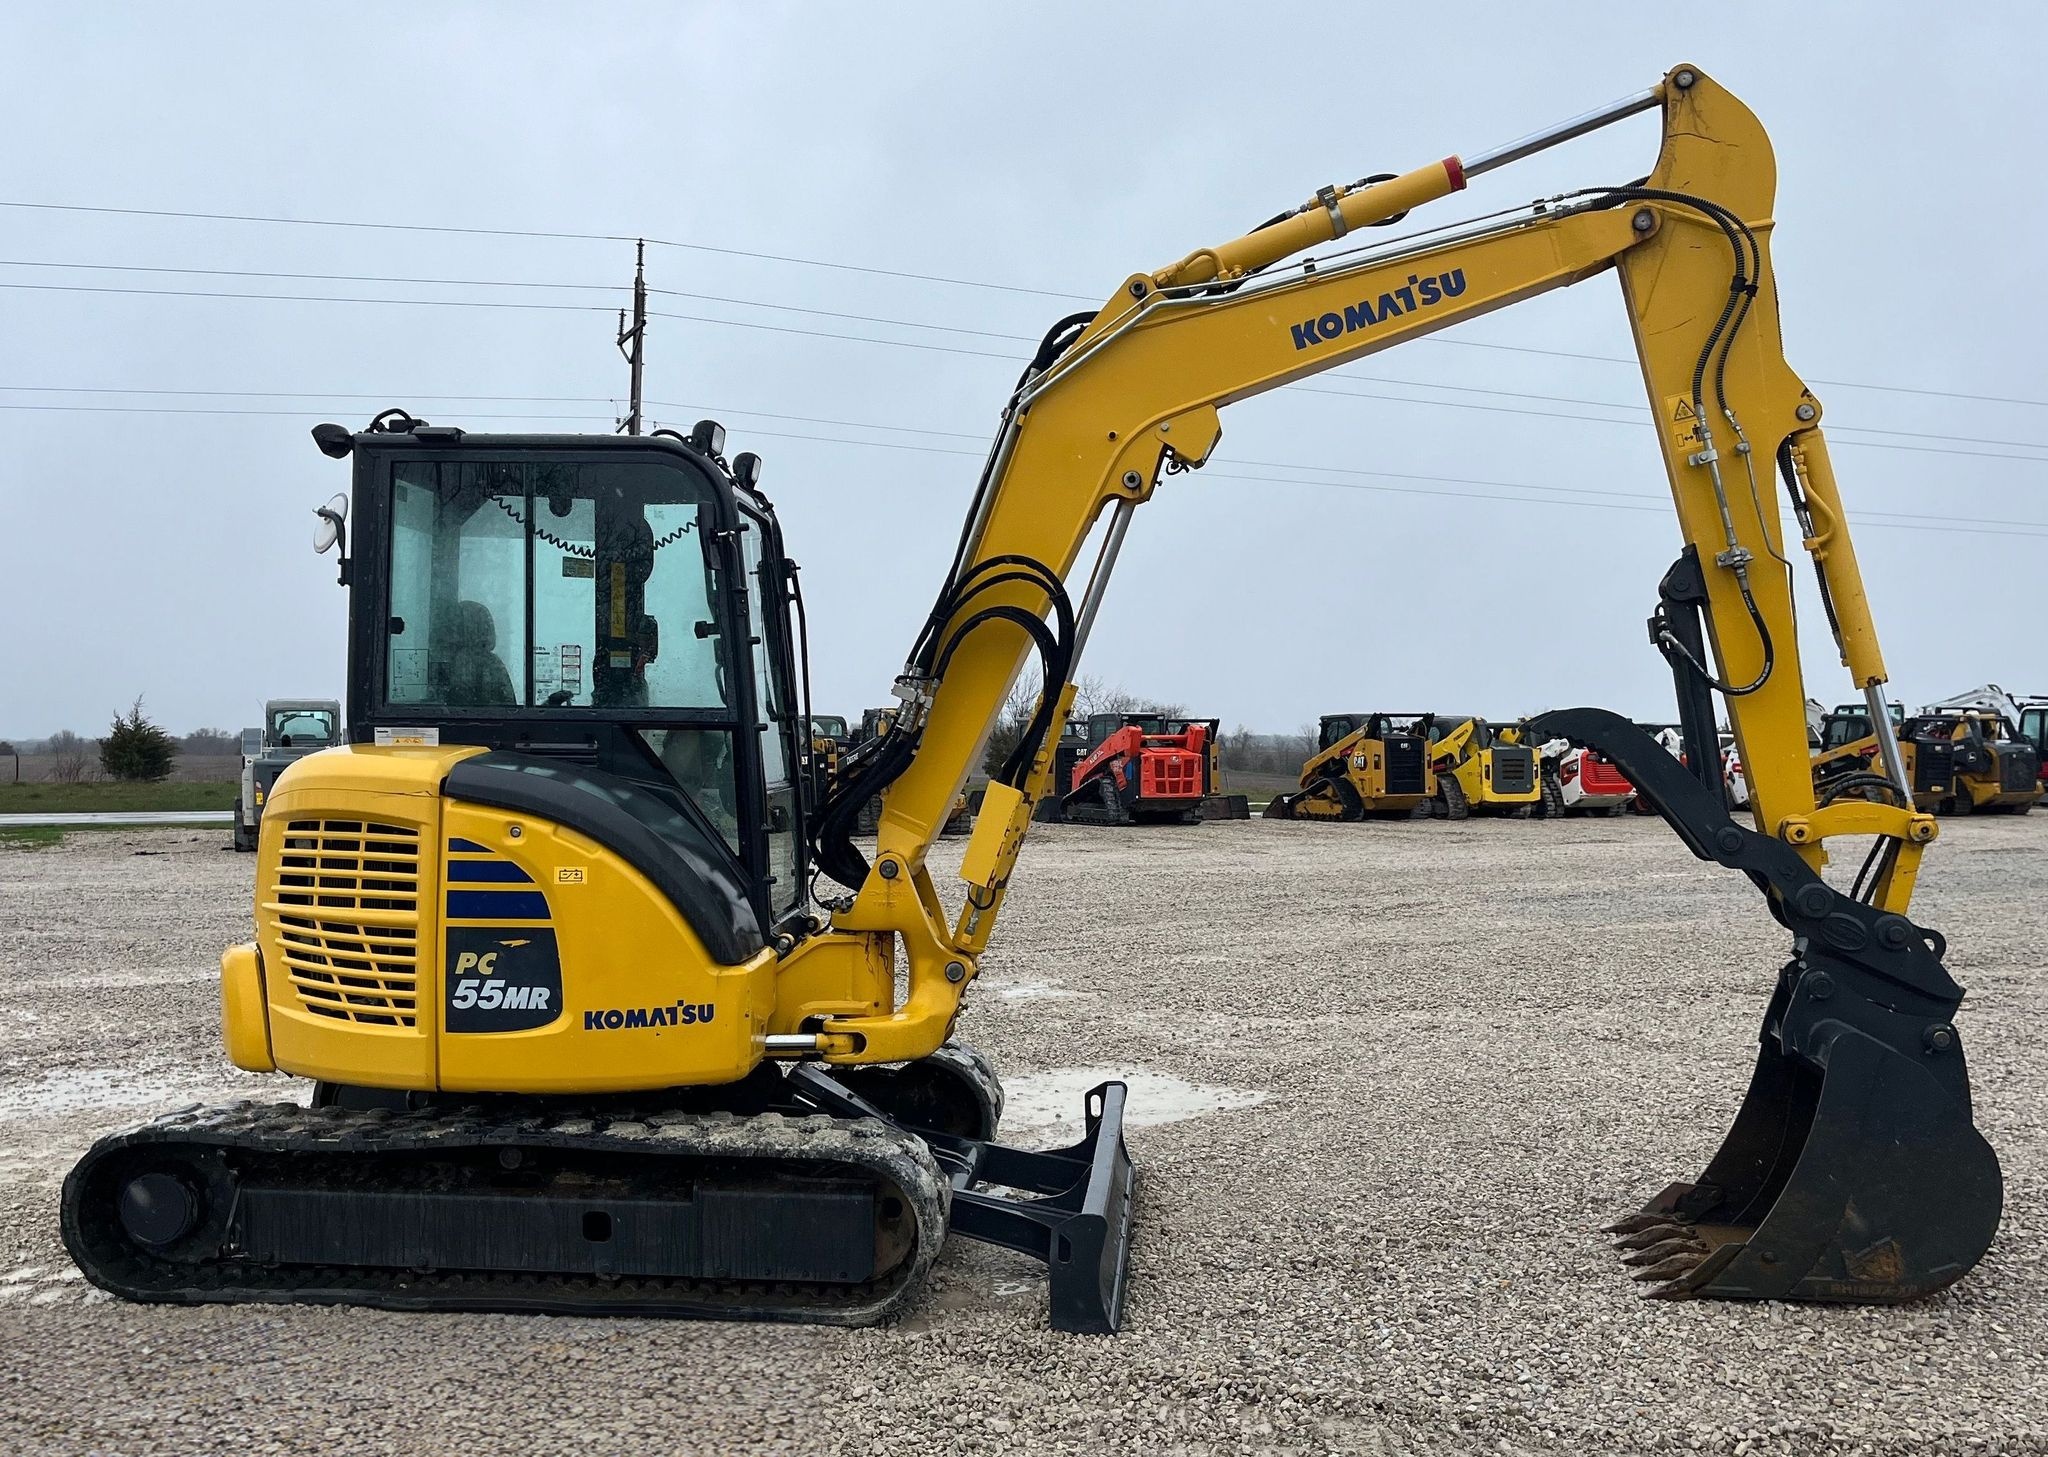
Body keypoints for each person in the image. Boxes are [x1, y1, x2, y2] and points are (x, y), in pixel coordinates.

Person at [437, 600, 517, 706]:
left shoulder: (460, 661)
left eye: (456, 625)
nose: (450, 631)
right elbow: (509, 706)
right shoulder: (494, 664)